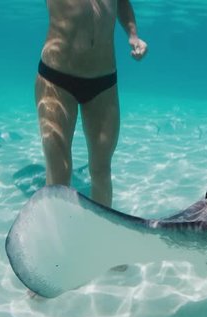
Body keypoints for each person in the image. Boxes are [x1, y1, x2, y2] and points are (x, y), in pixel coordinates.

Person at [36, 0, 147, 207]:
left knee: (101, 169)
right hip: (56, 78)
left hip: (103, 80)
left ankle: (101, 233)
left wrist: (133, 34)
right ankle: (57, 233)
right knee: (59, 170)